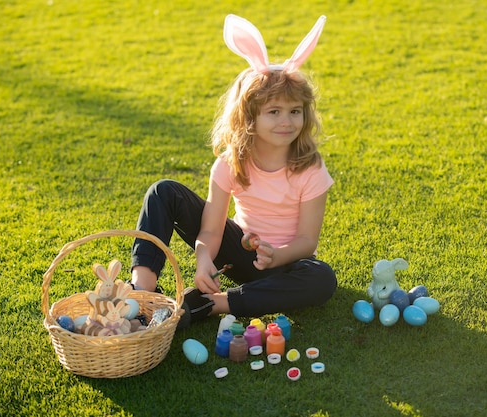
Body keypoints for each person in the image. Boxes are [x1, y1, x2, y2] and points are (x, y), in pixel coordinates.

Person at [130, 14, 336, 328]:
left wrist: (275, 256)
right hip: (237, 252)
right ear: (249, 117)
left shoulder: (309, 165)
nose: (287, 121)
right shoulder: (231, 162)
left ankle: (215, 304)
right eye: (274, 112)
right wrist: (203, 260)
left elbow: (307, 240)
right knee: (164, 191)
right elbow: (212, 230)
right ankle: (141, 291)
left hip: (286, 264)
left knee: (323, 278)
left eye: (295, 111)